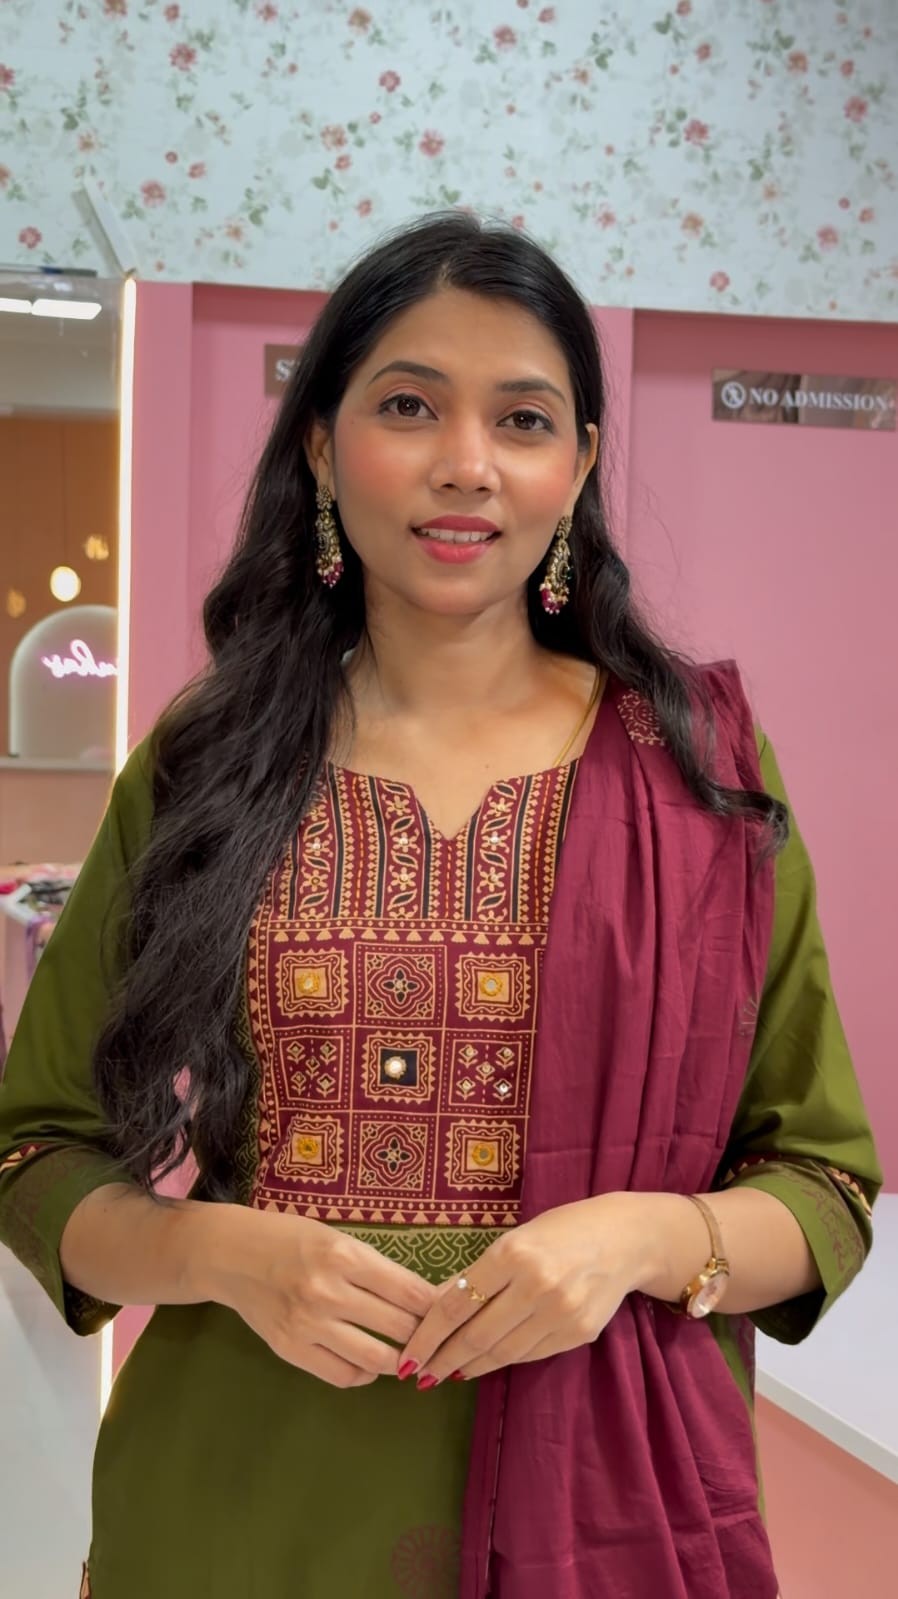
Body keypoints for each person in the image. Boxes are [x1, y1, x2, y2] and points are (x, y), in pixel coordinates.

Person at [0, 211, 881, 1599]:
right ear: (319, 445)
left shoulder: (694, 775)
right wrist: (214, 1250)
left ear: (577, 464)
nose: (465, 464)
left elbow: (821, 1185)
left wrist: (641, 1238)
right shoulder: (206, 764)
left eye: (522, 419)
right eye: (408, 405)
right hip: (242, 1498)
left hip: (600, 1506)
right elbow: (36, 1153)